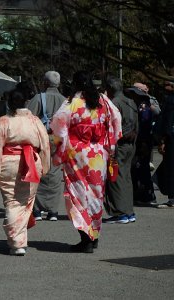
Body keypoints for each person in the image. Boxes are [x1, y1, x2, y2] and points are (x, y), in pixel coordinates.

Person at [50, 71, 122, 253]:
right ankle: (94, 234)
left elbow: (58, 124)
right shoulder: (103, 101)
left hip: (78, 154)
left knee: (79, 195)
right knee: (96, 195)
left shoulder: (72, 103)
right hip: (98, 153)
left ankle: (86, 238)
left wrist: (60, 145)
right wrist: (111, 143)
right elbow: (116, 119)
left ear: (75, 84)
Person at [0, 87, 50, 256]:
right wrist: (44, 165)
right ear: (26, 102)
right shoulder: (34, 121)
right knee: (26, 202)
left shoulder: (4, 121)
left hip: (8, 163)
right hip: (31, 163)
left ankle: (17, 243)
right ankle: (19, 241)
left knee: (12, 202)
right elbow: (45, 145)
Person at [27, 71, 66, 221]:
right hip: (57, 138)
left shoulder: (38, 98)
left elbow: (28, 116)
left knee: (38, 170)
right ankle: (53, 211)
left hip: (41, 137)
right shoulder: (64, 101)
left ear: (45, 82)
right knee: (55, 173)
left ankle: (37, 210)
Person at [104, 77, 139, 224]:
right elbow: (137, 124)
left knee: (116, 179)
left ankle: (121, 212)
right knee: (126, 178)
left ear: (110, 88)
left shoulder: (113, 104)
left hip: (119, 145)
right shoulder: (131, 102)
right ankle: (128, 211)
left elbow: (110, 127)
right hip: (131, 144)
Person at [125, 86, 157, 206]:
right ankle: (141, 194)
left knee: (142, 168)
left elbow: (144, 124)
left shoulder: (143, 106)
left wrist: (142, 141)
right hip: (141, 139)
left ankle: (146, 196)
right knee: (138, 169)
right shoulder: (139, 105)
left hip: (143, 140)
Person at [154, 81, 174, 208]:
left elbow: (167, 121)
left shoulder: (171, 101)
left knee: (170, 168)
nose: (165, 86)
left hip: (171, 138)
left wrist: (163, 140)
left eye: (168, 84)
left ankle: (172, 198)